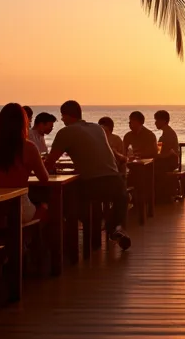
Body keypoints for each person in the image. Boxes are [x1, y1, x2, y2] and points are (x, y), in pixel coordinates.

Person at [47, 101, 131, 250]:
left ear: (66, 115)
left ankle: (67, 236)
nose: (62, 120)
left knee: (63, 198)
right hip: (116, 182)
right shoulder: (97, 128)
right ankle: (114, 228)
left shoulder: (66, 132)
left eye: (62, 116)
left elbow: (50, 162)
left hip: (92, 185)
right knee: (111, 199)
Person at [0, 103, 51, 222]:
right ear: (23, 123)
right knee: (45, 206)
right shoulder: (28, 147)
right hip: (17, 207)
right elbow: (44, 178)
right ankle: (30, 239)